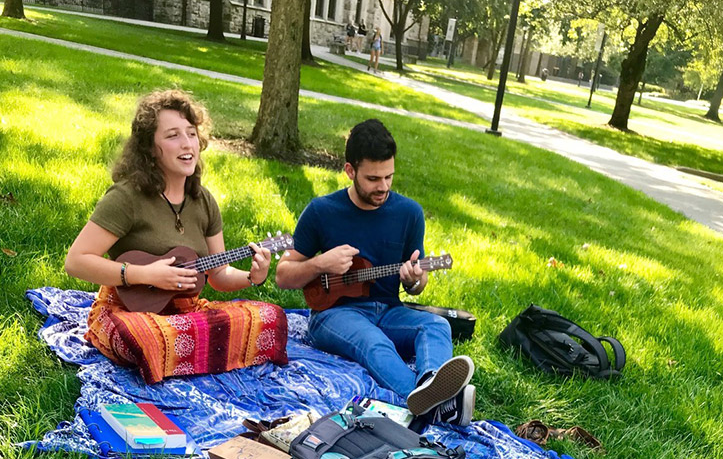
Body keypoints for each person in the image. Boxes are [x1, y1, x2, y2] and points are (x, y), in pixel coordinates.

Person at [64, 89, 288, 385]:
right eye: (173, 136)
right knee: (144, 337)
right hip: (127, 309)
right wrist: (145, 274)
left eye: (192, 134)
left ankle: (182, 353)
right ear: (150, 148)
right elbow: (76, 262)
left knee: (271, 317)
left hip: (185, 315)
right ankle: (192, 352)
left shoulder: (203, 201)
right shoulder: (126, 198)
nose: (187, 144)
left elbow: (218, 275)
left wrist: (252, 276)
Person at [275, 119, 475, 426]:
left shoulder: (409, 214)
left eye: (389, 177)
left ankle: (433, 382)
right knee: (374, 342)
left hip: (388, 310)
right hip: (334, 314)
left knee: (437, 327)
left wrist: (415, 280)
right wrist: (320, 263)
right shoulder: (322, 211)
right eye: (372, 178)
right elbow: (283, 275)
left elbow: (417, 284)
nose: (382, 186)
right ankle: (428, 403)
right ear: (350, 171)